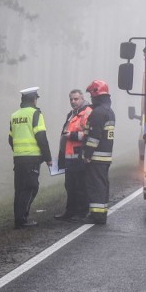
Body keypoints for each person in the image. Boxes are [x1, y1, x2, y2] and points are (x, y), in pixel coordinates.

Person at [8, 87, 52, 229]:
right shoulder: (35, 114)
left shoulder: (14, 115)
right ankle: (22, 220)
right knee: (31, 187)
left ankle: (19, 218)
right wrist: (48, 158)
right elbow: (41, 137)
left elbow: (10, 138)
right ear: (34, 99)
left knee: (20, 189)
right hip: (32, 158)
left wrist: (18, 151)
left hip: (19, 158)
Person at [54, 89, 92, 222]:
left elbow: (89, 135)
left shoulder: (87, 112)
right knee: (69, 185)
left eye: (76, 99)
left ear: (82, 98)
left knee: (80, 186)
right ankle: (70, 212)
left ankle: (82, 212)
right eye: (71, 99)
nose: (73, 102)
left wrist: (72, 135)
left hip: (80, 156)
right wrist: (61, 155)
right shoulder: (71, 114)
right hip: (69, 156)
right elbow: (64, 135)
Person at [81, 80, 115, 225]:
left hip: (96, 157)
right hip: (105, 157)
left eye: (91, 95)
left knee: (95, 186)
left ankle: (97, 216)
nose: (90, 98)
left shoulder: (98, 113)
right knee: (102, 185)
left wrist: (87, 155)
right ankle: (101, 213)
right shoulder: (109, 111)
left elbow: (94, 137)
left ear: (96, 93)